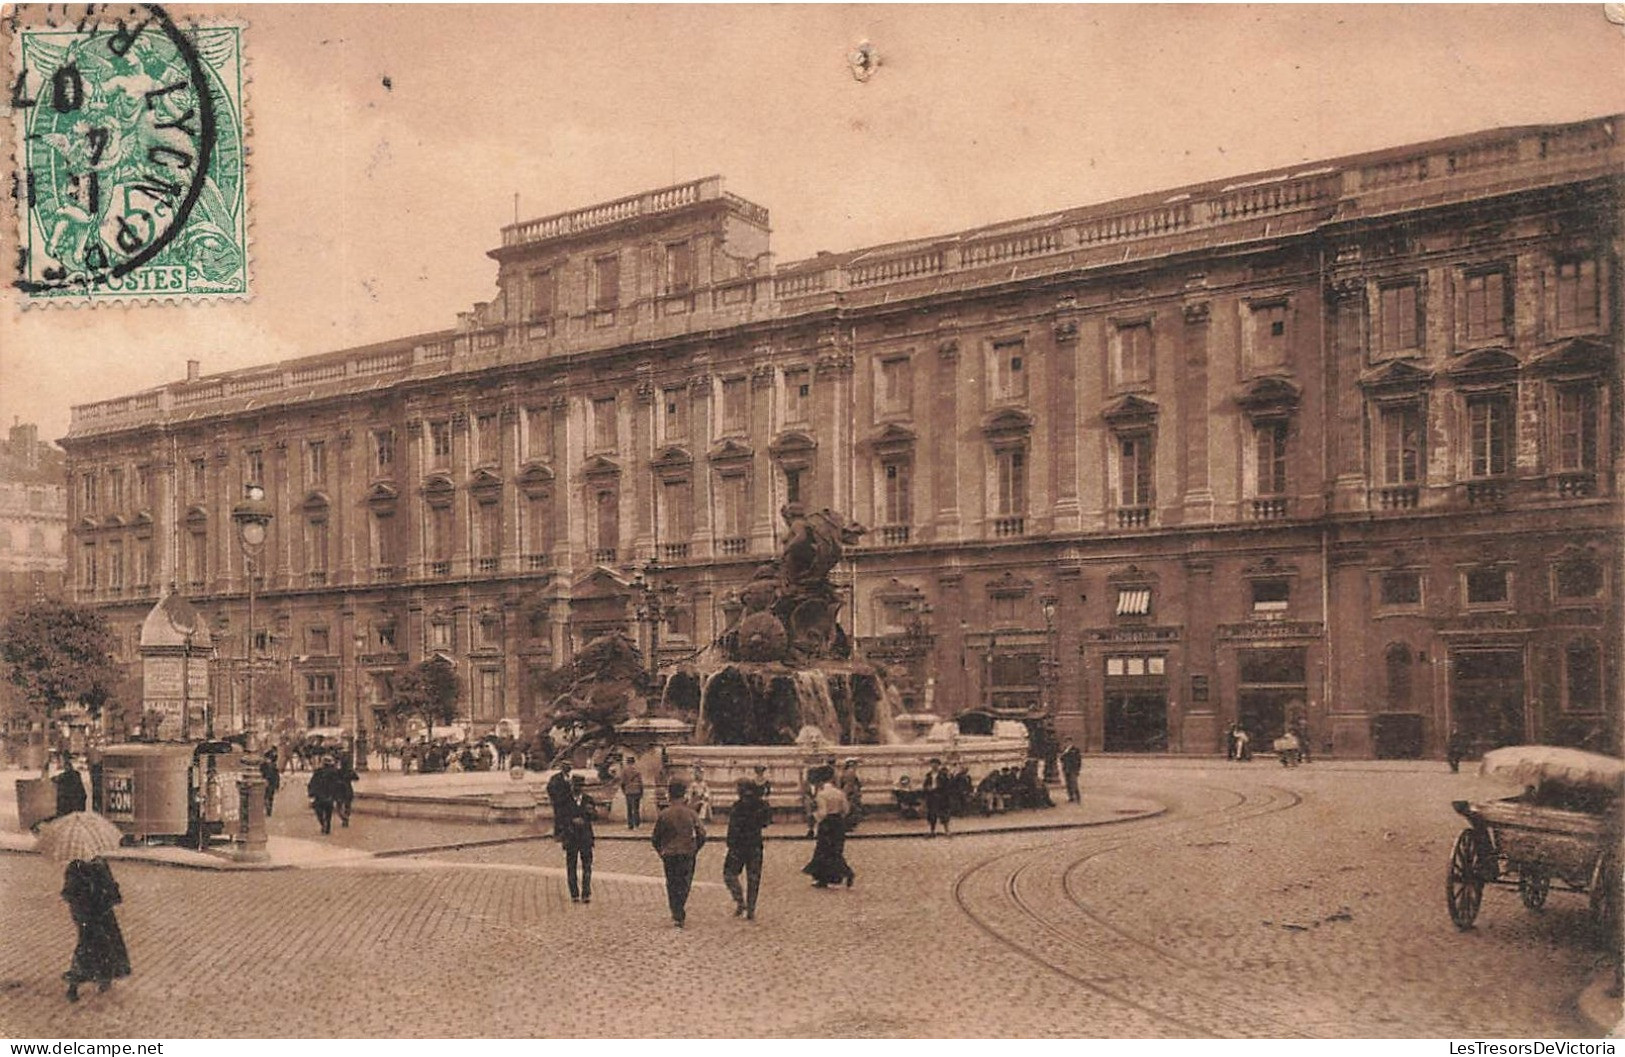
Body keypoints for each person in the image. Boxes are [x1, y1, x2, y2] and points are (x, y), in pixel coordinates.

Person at [60, 856, 130, 1002]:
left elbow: (111, 889)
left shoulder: (98, 864)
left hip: (102, 913)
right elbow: (70, 894)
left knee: (105, 945)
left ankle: (104, 978)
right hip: (88, 914)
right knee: (87, 946)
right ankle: (74, 985)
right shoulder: (77, 867)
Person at [651, 780, 706, 927]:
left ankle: (676, 912)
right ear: (684, 795)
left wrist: (661, 851)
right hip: (687, 852)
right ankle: (679, 909)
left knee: (672, 882)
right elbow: (702, 833)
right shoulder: (691, 813)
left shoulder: (664, 814)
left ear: (670, 795)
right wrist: (695, 848)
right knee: (684, 882)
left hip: (669, 853)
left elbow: (655, 837)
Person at [724, 777, 772, 920]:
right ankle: (751, 909)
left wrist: (730, 842)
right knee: (753, 878)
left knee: (729, 874)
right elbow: (767, 822)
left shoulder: (738, 806)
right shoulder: (762, 805)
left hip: (738, 846)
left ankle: (740, 900)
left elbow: (732, 826)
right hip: (755, 844)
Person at [802, 765, 855, 889]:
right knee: (835, 850)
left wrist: (814, 817)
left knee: (824, 850)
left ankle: (842, 873)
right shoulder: (839, 793)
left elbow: (823, 812)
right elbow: (846, 809)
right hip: (838, 822)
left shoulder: (821, 795)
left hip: (827, 824)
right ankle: (826, 878)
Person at [561, 775, 596, 904]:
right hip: (571, 838)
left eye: (580, 786)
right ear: (572, 786)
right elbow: (561, 819)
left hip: (585, 838)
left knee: (587, 866)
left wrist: (591, 813)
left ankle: (586, 893)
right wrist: (571, 821)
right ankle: (574, 894)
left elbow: (595, 817)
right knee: (571, 867)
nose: (578, 788)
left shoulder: (588, 800)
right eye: (576, 786)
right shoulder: (565, 800)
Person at [307, 756, 344, 835]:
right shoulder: (335, 772)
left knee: (319, 811)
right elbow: (339, 785)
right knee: (328, 813)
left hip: (320, 796)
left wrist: (311, 793)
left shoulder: (318, 772)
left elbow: (312, 783)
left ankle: (323, 824)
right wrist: (337, 796)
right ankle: (327, 826)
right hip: (329, 795)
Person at [546, 759, 576, 839]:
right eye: (566, 767)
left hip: (569, 801)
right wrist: (555, 798)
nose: (569, 768)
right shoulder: (556, 778)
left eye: (569, 766)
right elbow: (550, 788)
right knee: (559, 817)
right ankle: (558, 834)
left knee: (569, 817)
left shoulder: (572, 777)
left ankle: (568, 834)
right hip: (559, 801)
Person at [52, 753, 87, 819]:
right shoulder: (75, 775)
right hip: (77, 804)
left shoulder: (65, 776)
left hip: (71, 804)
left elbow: (56, 779)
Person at [922, 758, 952, 836]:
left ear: (938, 765)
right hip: (932, 797)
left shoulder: (943, 775)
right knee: (932, 815)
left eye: (936, 764)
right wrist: (927, 788)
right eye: (932, 764)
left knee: (944, 815)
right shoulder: (928, 775)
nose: (934, 765)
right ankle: (932, 831)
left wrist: (938, 788)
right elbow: (925, 785)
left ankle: (947, 831)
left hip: (941, 796)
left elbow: (947, 786)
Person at [838, 758, 864, 831]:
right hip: (851, 792)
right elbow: (849, 784)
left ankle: (849, 824)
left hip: (851, 792)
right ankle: (848, 825)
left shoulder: (846, 772)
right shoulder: (850, 772)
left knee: (852, 809)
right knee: (851, 809)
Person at [334, 754, 359, 828]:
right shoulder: (349, 771)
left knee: (339, 807)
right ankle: (346, 818)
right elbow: (356, 778)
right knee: (347, 806)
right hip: (348, 789)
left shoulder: (338, 771)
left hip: (340, 790)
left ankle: (344, 818)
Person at [620, 756, 644, 830]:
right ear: (634, 762)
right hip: (637, 790)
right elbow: (640, 782)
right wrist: (641, 791)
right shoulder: (637, 770)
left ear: (627, 762)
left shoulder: (624, 770)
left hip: (629, 791)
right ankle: (637, 823)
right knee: (636, 808)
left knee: (629, 808)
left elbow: (622, 782)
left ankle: (630, 825)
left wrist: (624, 790)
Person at [260, 748, 282, 818]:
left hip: (267, 783)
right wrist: (277, 785)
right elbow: (277, 777)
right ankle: (269, 810)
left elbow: (262, 773)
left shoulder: (264, 765)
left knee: (266, 797)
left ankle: (268, 809)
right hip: (271, 783)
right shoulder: (273, 766)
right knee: (269, 797)